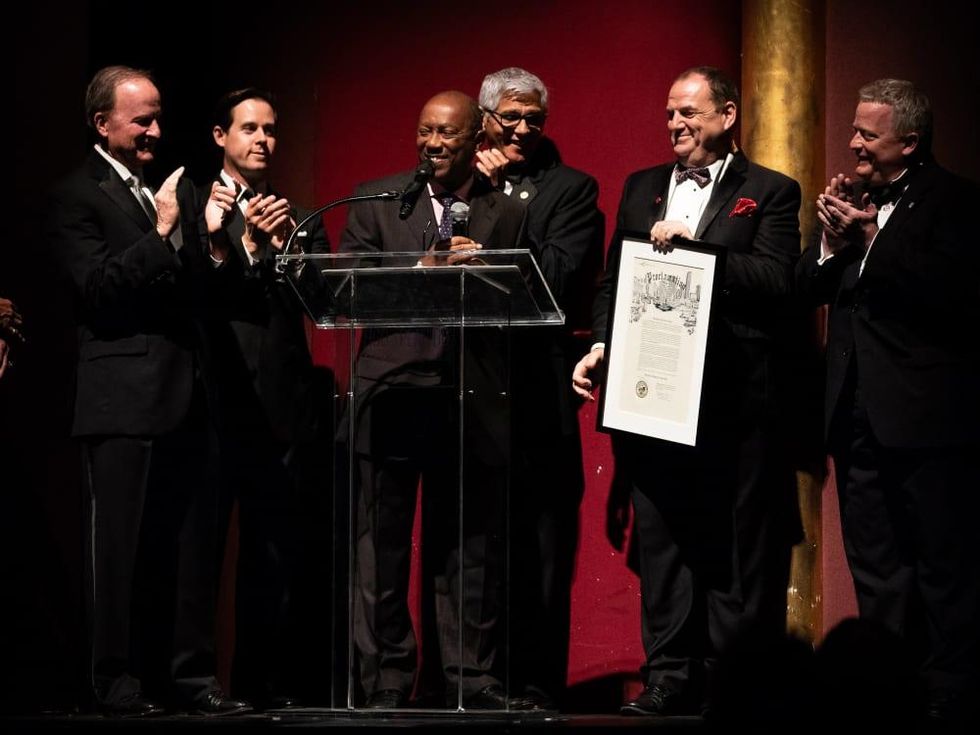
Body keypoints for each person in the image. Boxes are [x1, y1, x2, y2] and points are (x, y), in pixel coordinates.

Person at [573, 66, 803, 716]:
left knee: (733, 544)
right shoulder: (643, 186)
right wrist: (601, 343)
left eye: (689, 112)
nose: (675, 124)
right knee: (664, 540)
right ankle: (668, 676)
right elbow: (615, 277)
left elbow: (776, 280)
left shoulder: (771, 191)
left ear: (727, 116)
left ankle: (732, 686)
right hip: (653, 394)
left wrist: (701, 250)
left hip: (733, 401)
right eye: (670, 113)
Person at [45, 65, 249, 717]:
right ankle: (117, 678)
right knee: (122, 549)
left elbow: (205, 293)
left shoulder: (180, 188)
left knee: (191, 546)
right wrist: (161, 235)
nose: (156, 130)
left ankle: (190, 677)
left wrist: (216, 244)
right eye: (142, 119)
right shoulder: (76, 195)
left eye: (160, 116)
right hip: (121, 396)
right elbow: (97, 291)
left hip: (189, 390)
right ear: (102, 124)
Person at [798, 78, 980, 727]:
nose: (851, 144)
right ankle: (888, 689)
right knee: (876, 564)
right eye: (853, 130)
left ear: (908, 140)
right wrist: (830, 240)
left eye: (866, 134)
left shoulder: (955, 203)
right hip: (856, 417)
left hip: (929, 420)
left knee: (942, 563)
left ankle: (949, 691)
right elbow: (807, 287)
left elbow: (953, 298)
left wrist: (875, 238)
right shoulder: (858, 203)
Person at [339, 90, 526, 710]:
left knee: (467, 551)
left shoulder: (502, 209)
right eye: (425, 132)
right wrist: (424, 270)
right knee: (381, 551)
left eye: (448, 134)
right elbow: (349, 291)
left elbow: (524, 294)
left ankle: (471, 679)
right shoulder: (377, 201)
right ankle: (387, 681)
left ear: (477, 139)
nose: (433, 144)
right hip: (391, 395)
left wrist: (483, 276)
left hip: (467, 395)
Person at [473, 67, 604, 711]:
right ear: (485, 119)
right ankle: (472, 680)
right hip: (464, 384)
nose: (523, 130)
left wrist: (497, 203)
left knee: (543, 541)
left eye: (534, 119)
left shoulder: (572, 190)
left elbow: (549, 275)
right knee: (473, 539)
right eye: (511, 118)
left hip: (538, 388)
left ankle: (535, 682)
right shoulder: (455, 184)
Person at [201, 88, 333, 709]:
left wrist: (282, 247)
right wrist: (246, 246)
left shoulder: (301, 217)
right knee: (198, 548)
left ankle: (263, 685)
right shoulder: (193, 208)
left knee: (272, 553)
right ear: (220, 136)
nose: (262, 139)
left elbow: (325, 305)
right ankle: (193, 682)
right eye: (249, 128)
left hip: (282, 409)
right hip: (214, 399)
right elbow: (202, 296)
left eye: (271, 130)